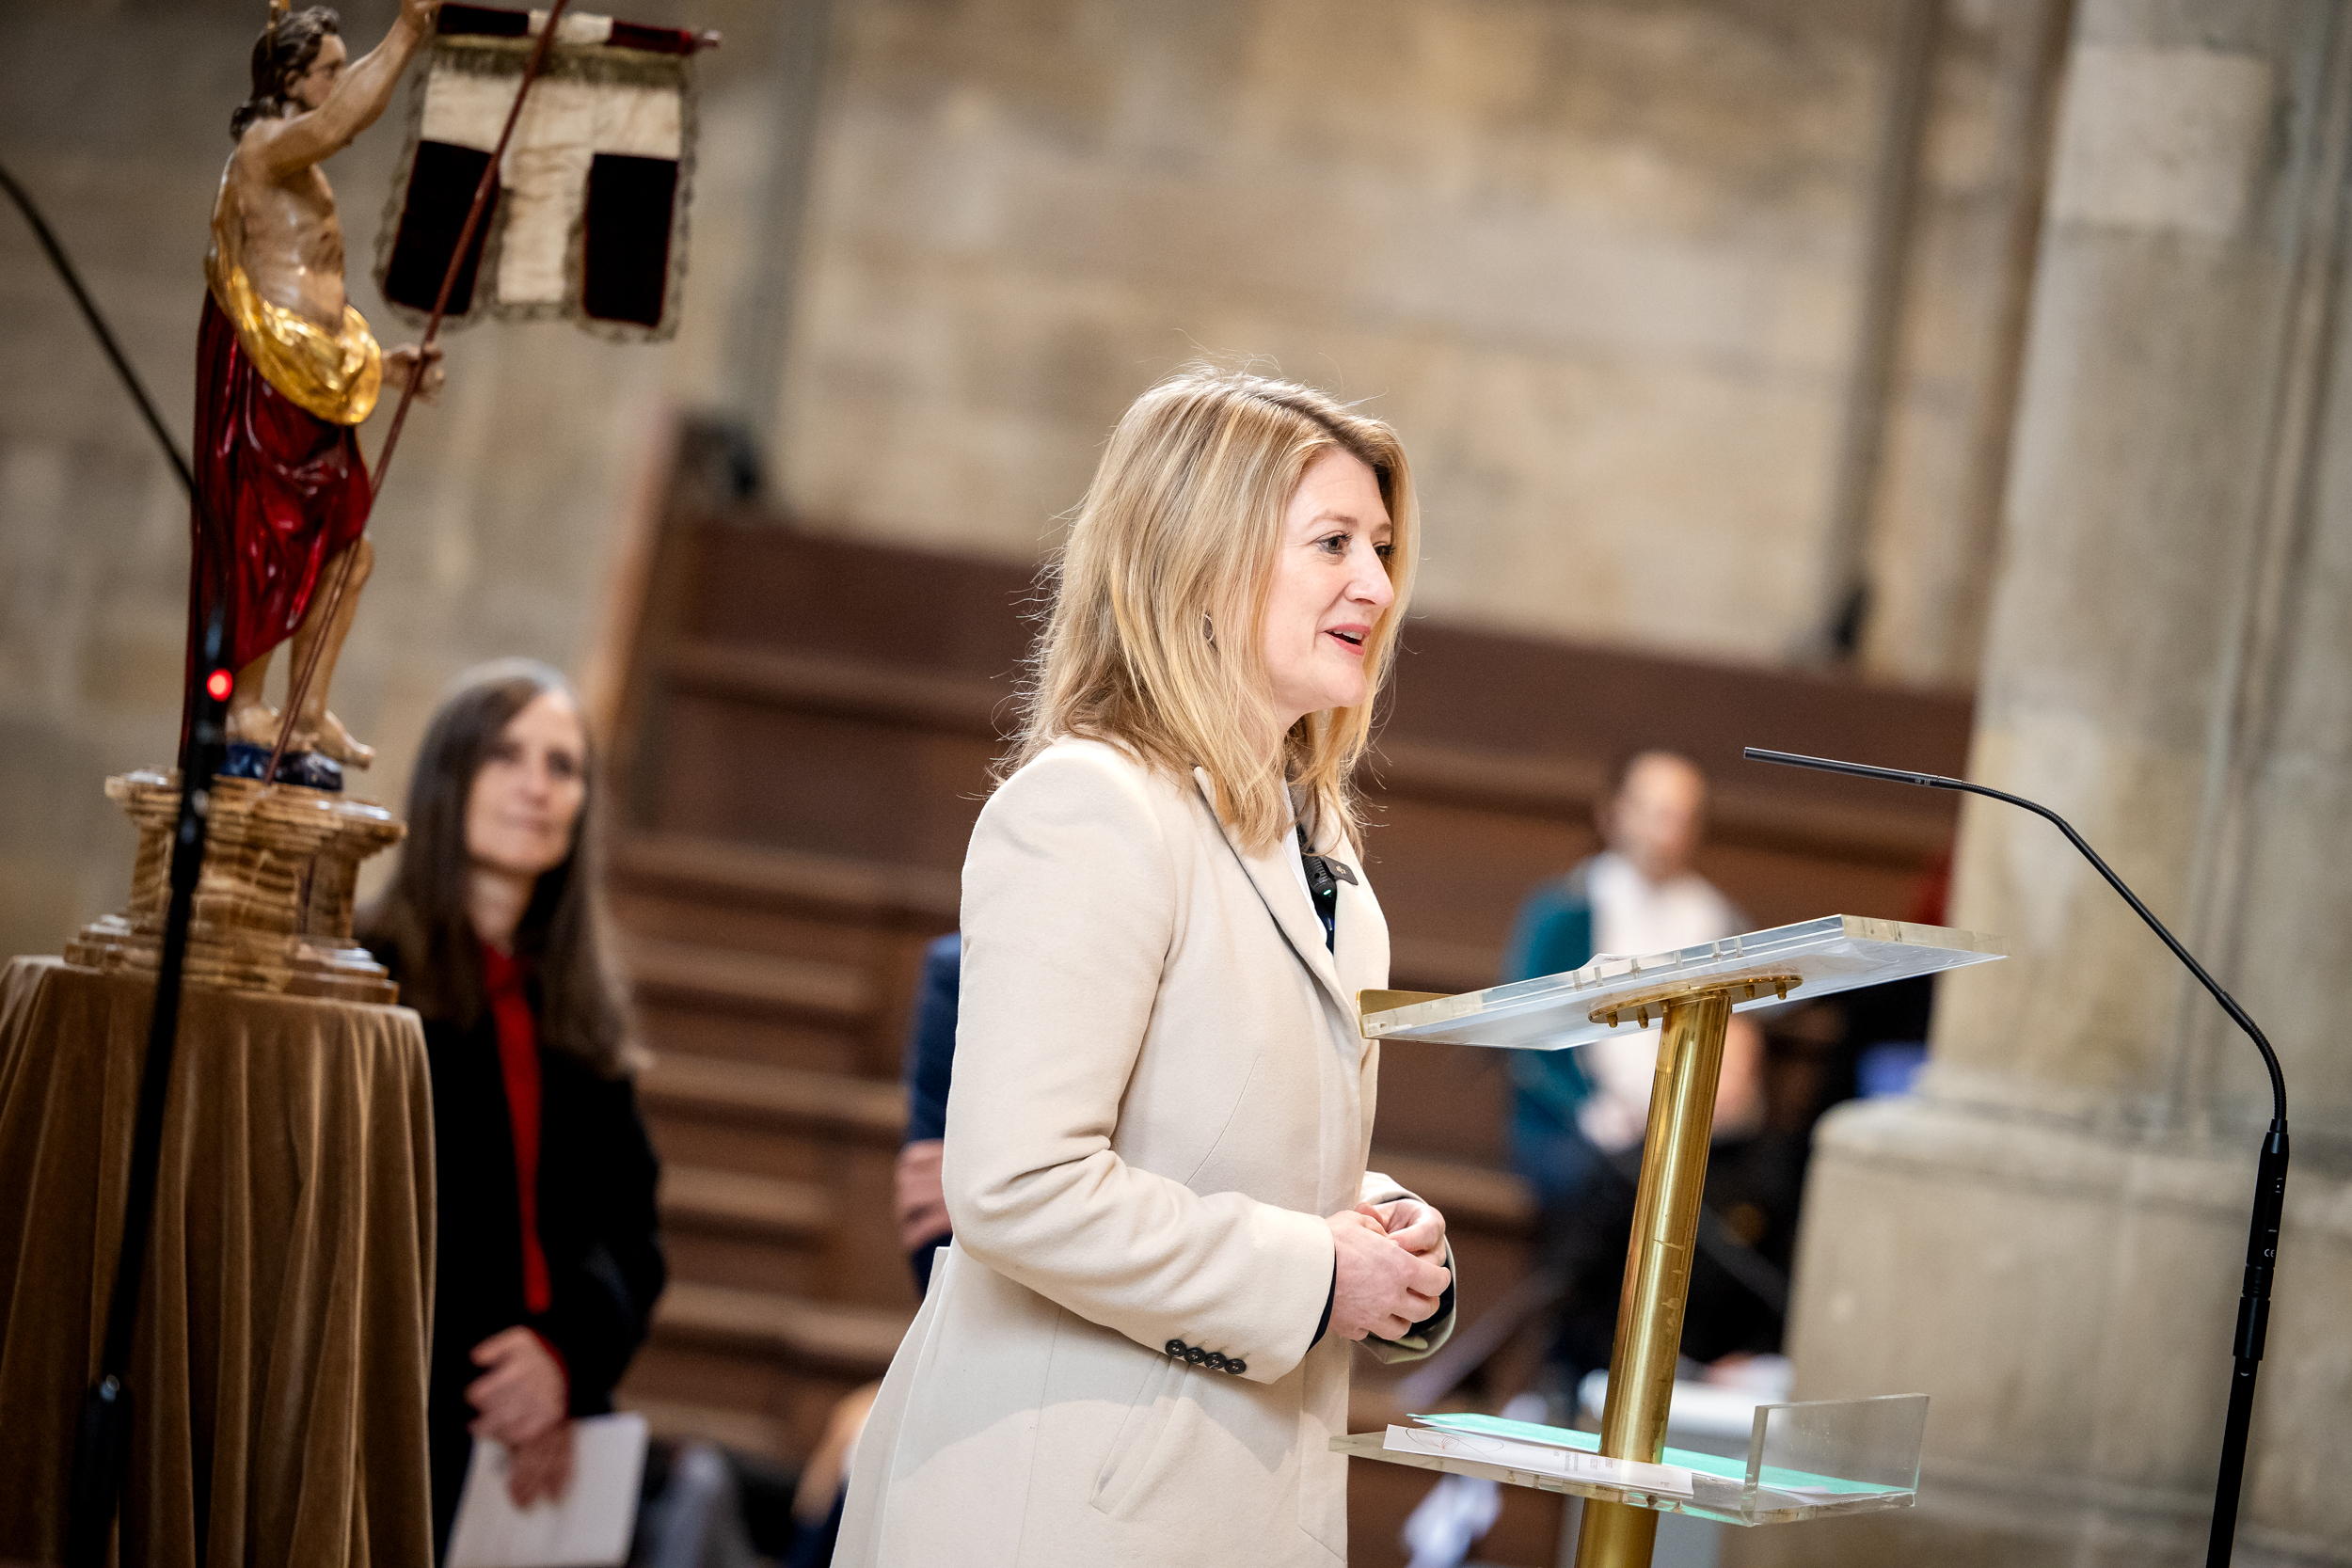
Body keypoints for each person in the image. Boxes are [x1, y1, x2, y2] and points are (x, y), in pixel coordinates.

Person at [834, 368, 1457, 1567]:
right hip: (1063, 1508)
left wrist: (1377, 1229)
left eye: (1380, 548)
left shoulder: (1318, 848)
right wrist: (1313, 1269)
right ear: (1203, 559)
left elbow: (1201, 1138)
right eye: (1333, 542)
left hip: (1234, 1497)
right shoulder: (1091, 805)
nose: (1378, 586)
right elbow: (1018, 1184)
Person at [360, 660, 664, 1558]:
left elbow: (633, 1239)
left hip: (549, 1433)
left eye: (563, 766)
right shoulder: (363, 976)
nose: (537, 786)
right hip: (391, 1409)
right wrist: (506, 1385)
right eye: (506, 755)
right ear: (450, 777)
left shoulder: (583, 1016)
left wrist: (562, 1361)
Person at [195, 0, 446, 769]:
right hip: (277, 385)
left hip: (315, 379)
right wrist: (408, 30)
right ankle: (243, 706)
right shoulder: (265, 149)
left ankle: (305, 710)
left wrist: (381, 365)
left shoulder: (298, 167)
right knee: (272, 547)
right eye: (330, 70)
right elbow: (340, 123)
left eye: (343, 68)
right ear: (290, 80)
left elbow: (317, 287)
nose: (341, 81)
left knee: (347, 555)